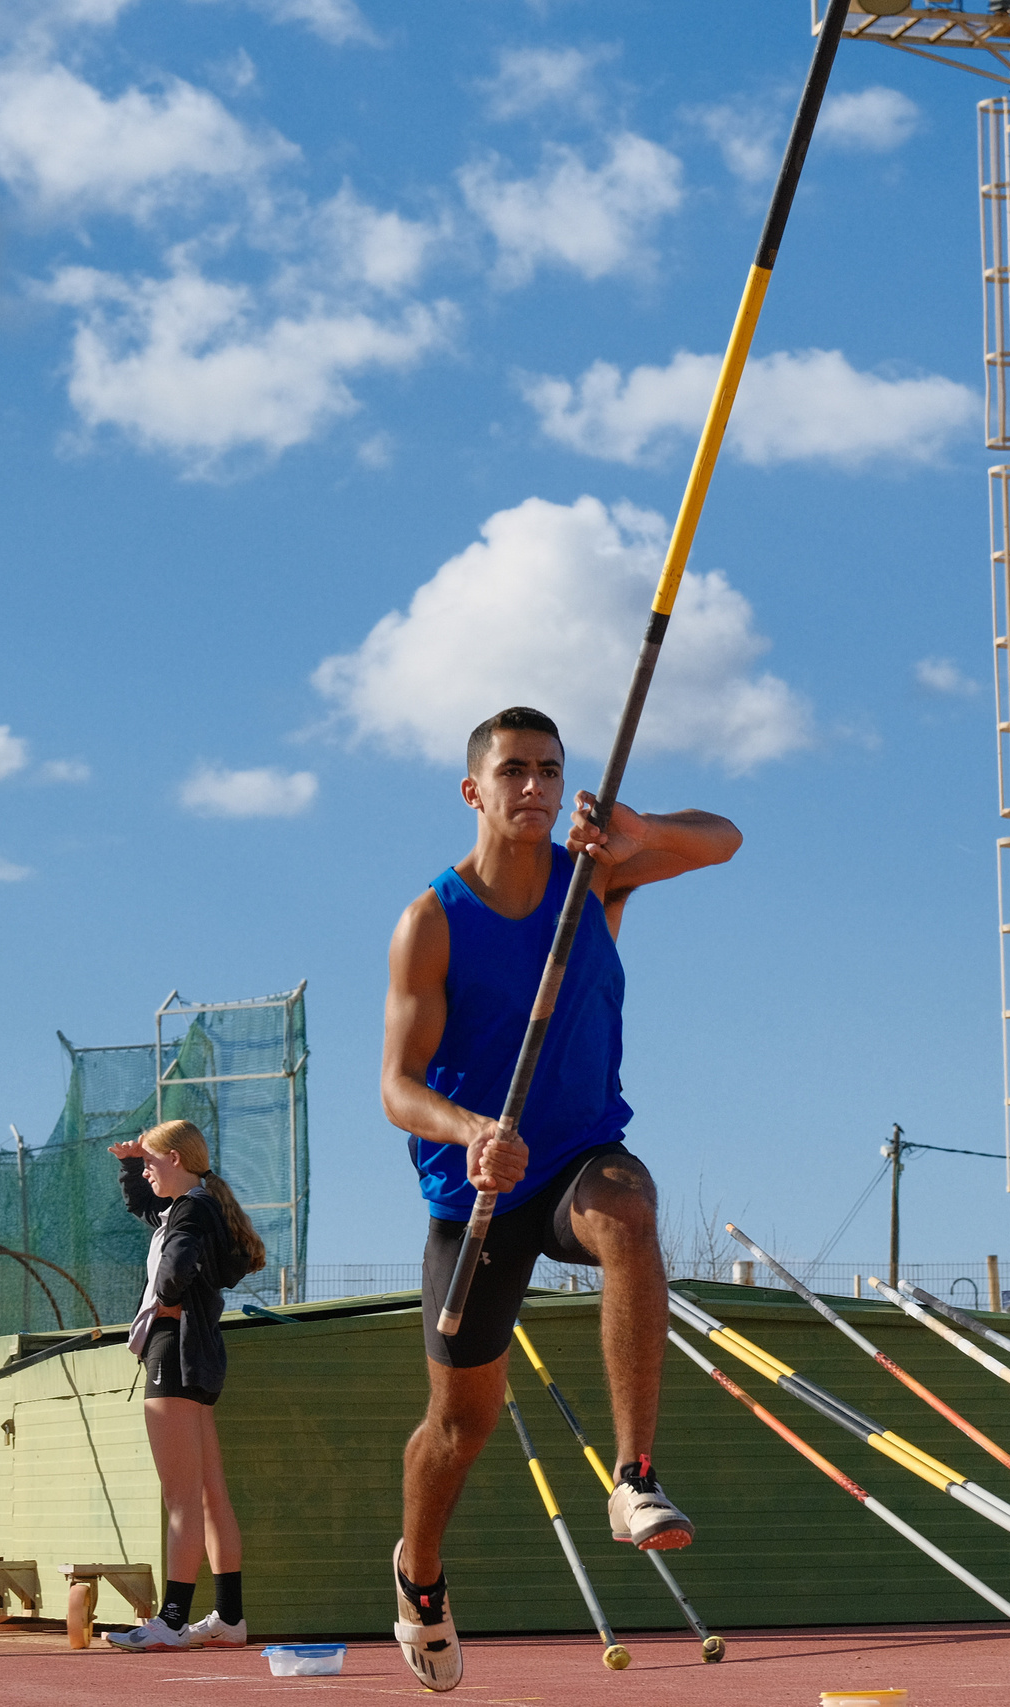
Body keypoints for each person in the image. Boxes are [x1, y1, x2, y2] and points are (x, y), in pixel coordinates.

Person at [383, 707, 741, 1691]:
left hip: (580, 1156)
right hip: (479, 1192)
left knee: (631, 1206)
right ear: (475, 790)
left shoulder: (597, 878)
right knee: (458, 1427)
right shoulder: (432, 919)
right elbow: (395, 1084)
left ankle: (633, 1479)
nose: (533, 786)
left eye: (549, 768)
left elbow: (724, 840)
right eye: (512, 771)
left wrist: (641, 830)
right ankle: (418, 1575)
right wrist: (470, 1133)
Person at [104, 1120, 268, 1651]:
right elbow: (146, 1210)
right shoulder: (192, 1206)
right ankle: (229, 1616)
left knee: (181, 1498)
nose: (147, 1172)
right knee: (207, 1493)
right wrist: (131, 1163)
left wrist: (168, 1298)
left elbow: (175, 1267)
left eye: (152, 1162)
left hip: (172, 1352)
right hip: (194, 1355)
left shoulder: (192, 1212)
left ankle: (173, 1620)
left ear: (176, 1159)